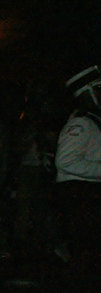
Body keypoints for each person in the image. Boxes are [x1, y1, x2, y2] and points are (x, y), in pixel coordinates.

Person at [54, 65, 101, 270]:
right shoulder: (82, 124)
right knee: (84, 249)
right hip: (79, 193)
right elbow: (65, 161)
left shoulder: (92, 121)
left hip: (86, 191)